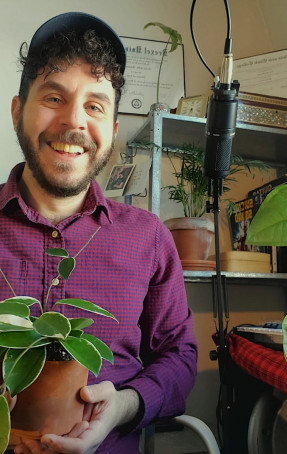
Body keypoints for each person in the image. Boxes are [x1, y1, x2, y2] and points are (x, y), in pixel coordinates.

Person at [0, 12, 198, 454]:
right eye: (53, 97)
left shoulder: (148, 239)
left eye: (94, 105)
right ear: (18, 112)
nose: (73, 122)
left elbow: (180, 357)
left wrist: (125, 405)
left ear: (111, 129)